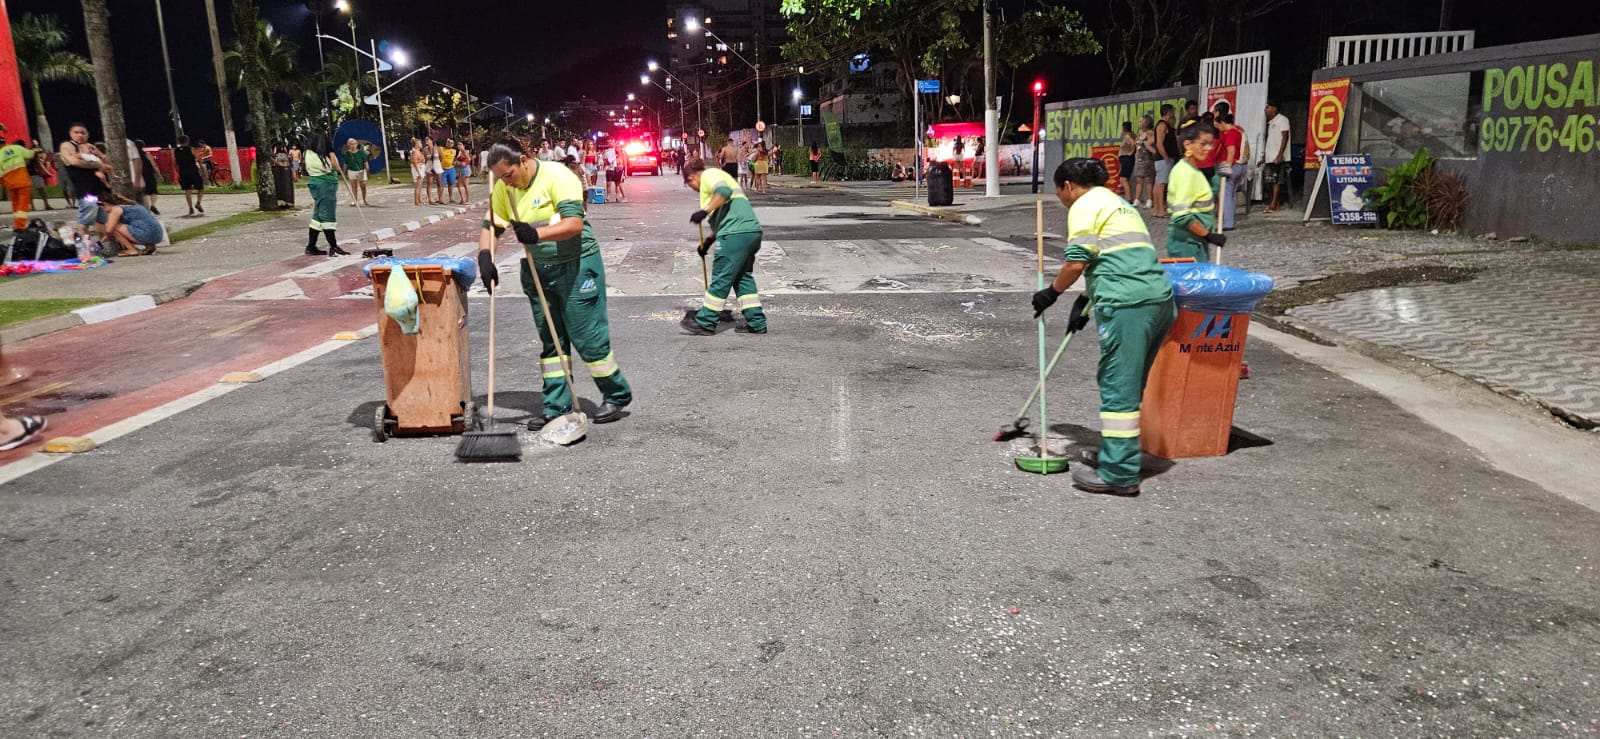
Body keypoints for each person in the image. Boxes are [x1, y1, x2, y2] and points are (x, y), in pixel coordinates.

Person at [1031, 157, 1175, 497]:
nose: (1060, 198)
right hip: (1158, 302)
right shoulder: (1119, 204)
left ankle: (1119, 474)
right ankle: (1119, 452)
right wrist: (1085, 301)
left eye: (1058, 191)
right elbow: (1118, 259)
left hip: (1128, 306)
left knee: (1117, 386)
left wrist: (1051, 293)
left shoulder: (1083, 206)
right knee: (1130, 383)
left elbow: (1077, 261)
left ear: (1067, 185)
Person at [476, 138, 633, 426]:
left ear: (523, 160)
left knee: (588, 338)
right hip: (538, 270)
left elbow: (573, 224)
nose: (506, 183)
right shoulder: (503, 188)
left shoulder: (558, 177)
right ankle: (557, 405)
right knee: (551, 340)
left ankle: (616, 393)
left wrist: (536, 234)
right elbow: (492, 225)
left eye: (508, 175)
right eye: (500, 178)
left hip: (577, 266)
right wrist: (485, 257)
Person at [681, 157, 767, 336]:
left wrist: (704, 211)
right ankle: (756, 322)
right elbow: (723, 217)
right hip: (750, 232)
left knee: (722, 276)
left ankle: (706, 321)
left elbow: (724, 192)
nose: (693, 188)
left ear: (692, 177)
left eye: (690, 184)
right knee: (742, 277)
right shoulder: (718, 178)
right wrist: (708, 242)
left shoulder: (709, 175)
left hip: (734, 234)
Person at [1166, 120, 1226, 263]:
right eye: (1203, 143)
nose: (1208, 148)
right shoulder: (1184, 172)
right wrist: (1208, 235)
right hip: (1186, 246)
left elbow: (1202, 198)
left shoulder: (1194, 170)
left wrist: (1219, 178)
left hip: (1196, 244)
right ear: (1188, 144)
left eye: (1210, 144)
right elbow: (1181, 216)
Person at [302, 132, 349, 257]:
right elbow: (336, 165)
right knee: (327, 215)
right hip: (326, 185)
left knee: (317, 216)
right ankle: (333, 246)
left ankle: (311, 246)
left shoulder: (307, 153)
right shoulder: (324, 153)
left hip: (314, 183)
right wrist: (331, 151)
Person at [77, 192, 163, 257]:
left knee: (114, 228)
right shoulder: (131, 206)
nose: (104, 210)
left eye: (102, 207)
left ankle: (131, 250)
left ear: (106, 204)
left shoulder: (116, 209)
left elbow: (109, 230)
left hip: (147, 234)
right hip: (158, 234)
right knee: (130, 226)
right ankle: (149, 246)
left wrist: (104, 239)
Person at [58, 123, 111, 202]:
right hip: (85, 188)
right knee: (89, 211)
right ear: (70, 134)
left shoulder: (90, 146)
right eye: (76, 132)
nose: (80, 135)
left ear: (87, 134)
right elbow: (74, 162)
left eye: (83, 133)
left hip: (99, 187)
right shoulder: (67, 145)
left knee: (102, 212)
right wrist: (97, 164)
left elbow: (104, 160)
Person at [1216, 113, 1246, 230]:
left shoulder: (1230, 134)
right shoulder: (1238, 131)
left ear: (1223, 123)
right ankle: (1231, 220)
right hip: (1241, 166)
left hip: (1233, 166)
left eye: (1219, 125)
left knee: (1226, 195)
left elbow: (1231, 151)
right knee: (1232, 195)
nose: (1218, 128)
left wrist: (1227, 167)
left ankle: (1228, 223)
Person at [1261, 102, 1292, 213]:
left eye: (1267, 107)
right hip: (1270, 156)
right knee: (1270, 180)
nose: (1265, 110)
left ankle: (1273, 205)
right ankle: (1275, 204)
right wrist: (1264, 157)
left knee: (1277, 181)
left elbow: (1285, 137)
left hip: (1278, 157)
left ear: (1274, 108)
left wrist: (1280, 154)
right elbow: (1271, 141)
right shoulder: (1271, 123)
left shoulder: (1282, 120)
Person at [1, 138, 36, 231]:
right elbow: (30, 154)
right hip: (23, 182)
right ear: (5, 142)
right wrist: (35, 149)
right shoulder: (17, 148)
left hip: (10, 184)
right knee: (22, 205)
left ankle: (17, 224)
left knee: (16, 205)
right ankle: (20, 226)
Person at [1151, 105, 1177, 218]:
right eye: (1173, 111)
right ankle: (1160, 210)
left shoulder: (1164, 125)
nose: (1174, 114)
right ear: (1168, 113)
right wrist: (1166, 156)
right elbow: (1159, 144)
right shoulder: (1162, 125)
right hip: (1163, 159)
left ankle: (1156, 210)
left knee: (1158, 184)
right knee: (1161, 185)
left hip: (1161, 159)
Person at [174, 136, 206, 215]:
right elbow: (198, 159)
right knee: (201, 188)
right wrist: (202, 169)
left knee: (187, 190)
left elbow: (175, 163)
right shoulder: (191, 149)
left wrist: (179, 172)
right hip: (193, 171)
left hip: (183, 173)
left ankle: (190, 208)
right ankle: (198, 203)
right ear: (187, 141)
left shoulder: (176, 150)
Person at [1132, 114, 1156, 208]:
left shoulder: (1150, 133)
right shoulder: (1139, 132)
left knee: (1148, 180)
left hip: (1147, 158)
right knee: (1139, 179)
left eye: (1141, 121)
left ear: (1146, 122)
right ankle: (1137, 199)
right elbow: (1135, 142)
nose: (1139, 123)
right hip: (1138, 158)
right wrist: (1137, 146)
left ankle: (1149, 200)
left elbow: (1151, 144)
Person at [27, 140, 55, 211]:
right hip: (31, 173)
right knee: (32, 191)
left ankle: (45, 205)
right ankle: (33, 206)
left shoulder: (36, 150)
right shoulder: (30, 151)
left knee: (40, 190)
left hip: (35, 173)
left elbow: (43, 158)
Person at [133, 140, 160, 214]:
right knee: (153, 191)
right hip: (149, 175)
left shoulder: (134, 156)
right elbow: (154, 165)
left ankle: (146, 209)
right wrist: (159, 174)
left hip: (140, 175)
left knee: (144, 193)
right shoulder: (147, 154)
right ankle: (153, 205)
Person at [343, 138, 370, 207]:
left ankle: (364, 200)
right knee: (354, 186)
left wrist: (367, 170)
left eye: (355, 144)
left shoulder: (361, 152)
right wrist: (344, 172)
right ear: (348, 145)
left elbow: (365, 162)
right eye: (351, 144)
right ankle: (355, 200)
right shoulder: (347, 153)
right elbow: (346, 164)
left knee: (363, 185)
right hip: (351, 171)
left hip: (360, 171)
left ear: (357, 144)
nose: (353, 145)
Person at [1117, 121, 1137, 198]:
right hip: (1126, 160)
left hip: (1127, 159)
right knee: (1126, 180)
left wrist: (1131, 152)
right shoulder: (1131, 135)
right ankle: (1128, 197)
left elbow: (1134, 143)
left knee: (1123, 180)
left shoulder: (1128, 136)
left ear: (1124, 128)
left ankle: (1128, 198)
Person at [409, 137, 425, 205]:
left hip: (421, 168)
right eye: (420, 143)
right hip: (417, 169)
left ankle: (419, 199)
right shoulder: (414, 152)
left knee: (420, 185)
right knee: (418, 186)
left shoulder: (419, 151)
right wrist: (418, 172)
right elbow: (414, 162)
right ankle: (416, 201)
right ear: (417, 144)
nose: (421, 144)